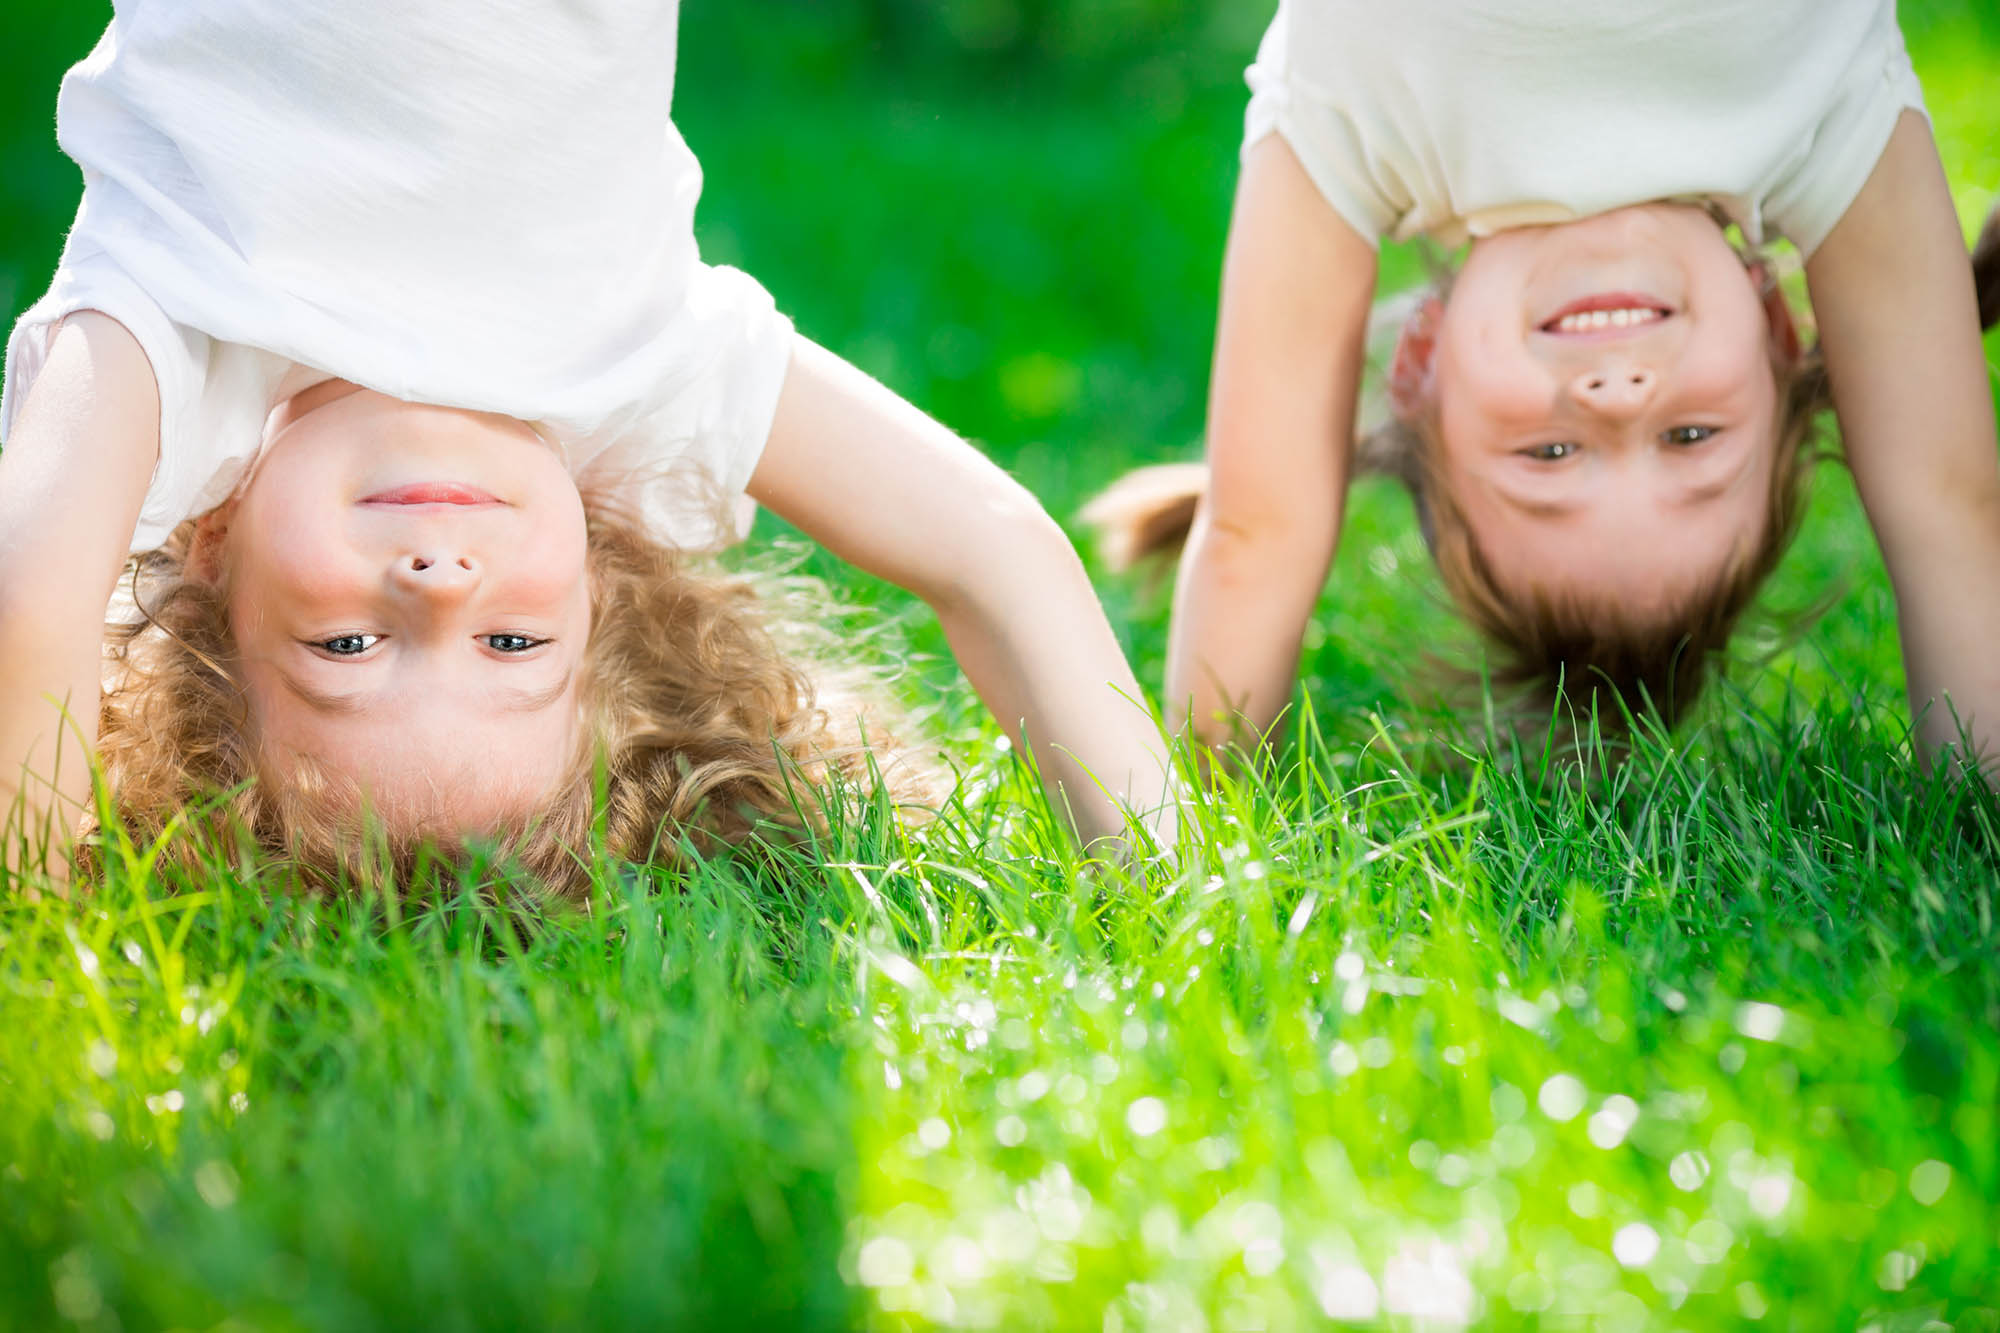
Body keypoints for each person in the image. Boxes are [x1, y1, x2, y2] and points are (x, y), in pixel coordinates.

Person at [0, 2, 1175, 890]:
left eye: (348, 644)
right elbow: (990, 549)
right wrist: (1171, 896)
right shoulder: (639, 378)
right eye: (511, 642)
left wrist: (41, 932)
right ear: (597, 585)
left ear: (208, 563)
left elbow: (29, 609)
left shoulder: (170, 340)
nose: (439, 584)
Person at [1087, 1, 2000, 762]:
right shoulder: (1819, 117)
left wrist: (1197, 816)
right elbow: (1950, 508)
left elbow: (1260, 530)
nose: (1621, 398)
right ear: (1773, 325)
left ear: (1421, 364)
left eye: (1550, 453)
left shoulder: (1360, 134)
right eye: (1692, 439)